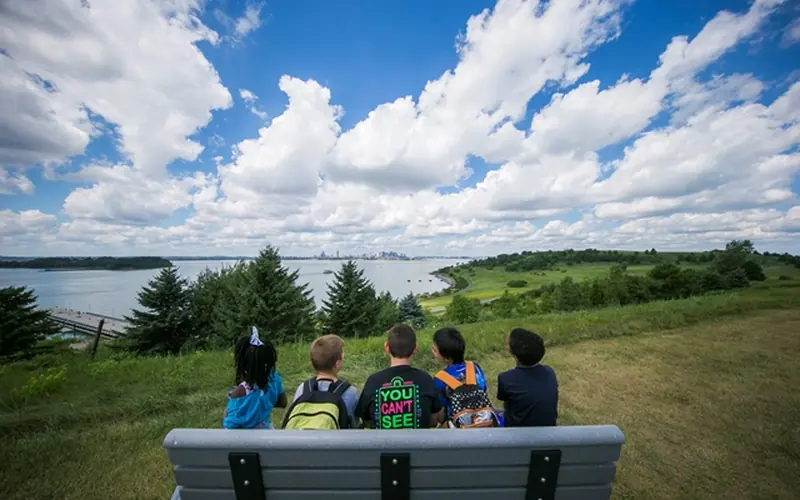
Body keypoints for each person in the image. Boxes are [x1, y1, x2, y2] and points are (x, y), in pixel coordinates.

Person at [355, 323, 441, 429]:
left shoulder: (373, 381)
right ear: (415, 349)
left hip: (382, 445)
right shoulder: (426, 379)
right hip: (419, 444)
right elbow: (433, 420)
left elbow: (366, 420)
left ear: (387, 347)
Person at [283, 334, 359, 429]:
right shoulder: (350, 392)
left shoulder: (302, 389)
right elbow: (354, 426)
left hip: (303, 442)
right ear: (338, 364)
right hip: (338, 443)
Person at [431, 327, 499, 428]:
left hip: (459, 427)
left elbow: (440, 412)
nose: (432, 352)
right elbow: (483, 389)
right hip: (483, 421)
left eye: (435, 350)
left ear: (446, 357)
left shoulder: (439, 380)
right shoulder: (475, 368)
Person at [222, 327, 287, 429]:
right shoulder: (274, 378)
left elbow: (230, 425)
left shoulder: (240, 392)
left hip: (245, 442)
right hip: (268, 435)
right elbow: (283, 403)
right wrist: (265, 403)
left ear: (242, 363)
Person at [496, 328, 558, 427]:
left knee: (492, 411)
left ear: (514, 353)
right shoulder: (549, 372)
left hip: (517, 434)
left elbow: (504, 400)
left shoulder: (506, 378)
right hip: (548, 430)